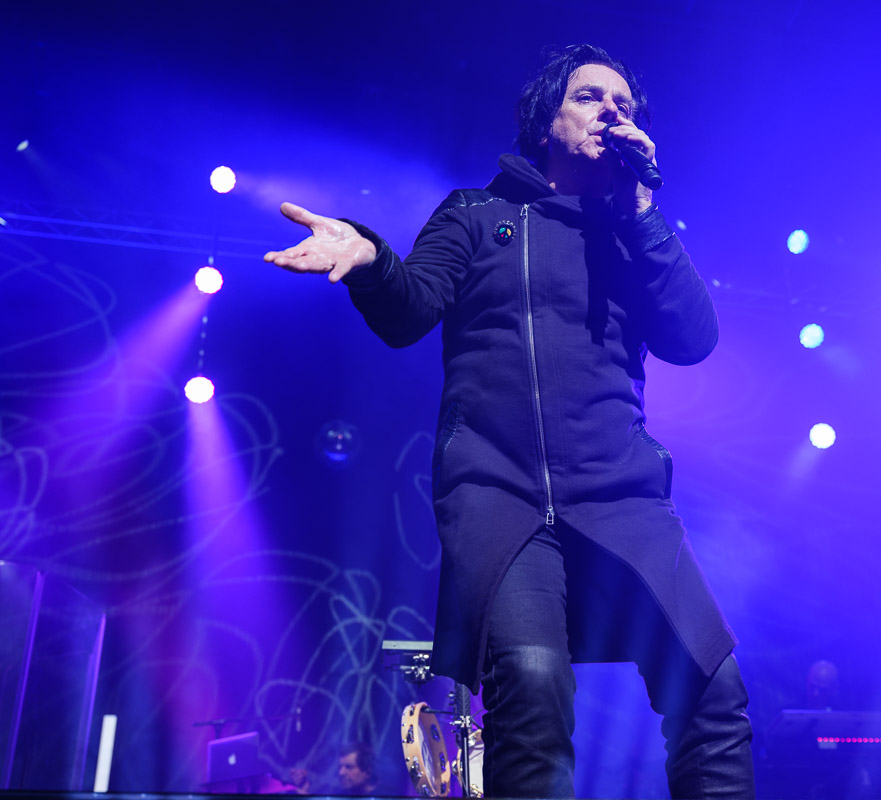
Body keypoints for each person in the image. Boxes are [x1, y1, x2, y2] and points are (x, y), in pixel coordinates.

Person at [265, 44, 754, 799]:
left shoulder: (630, 232)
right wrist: (369, 259)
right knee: (532, 691)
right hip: (500, 497)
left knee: (713, 690)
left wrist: (641, 213)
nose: (611, 111)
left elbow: (693, 339)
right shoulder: (476, 213)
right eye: (589, 97)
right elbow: (409, 311)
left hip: (621, 494)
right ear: (545, 117)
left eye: (624, 105)